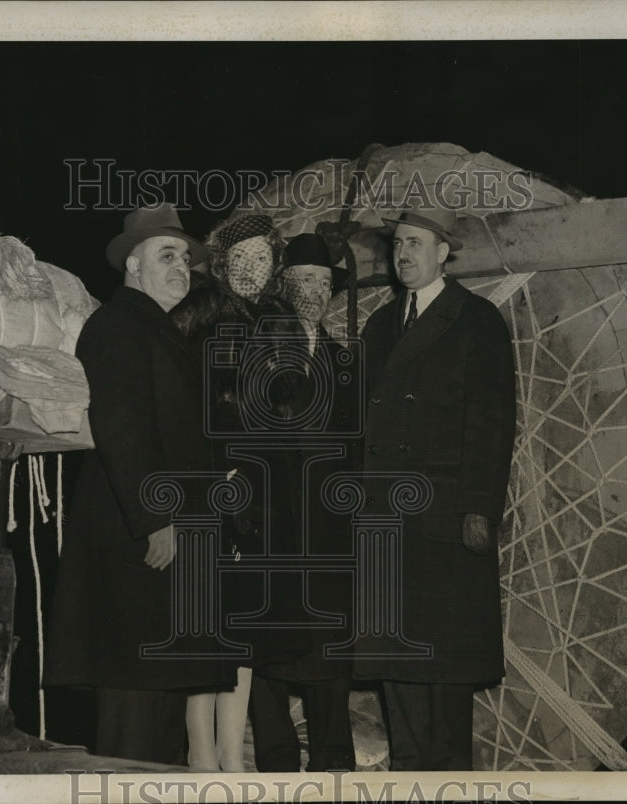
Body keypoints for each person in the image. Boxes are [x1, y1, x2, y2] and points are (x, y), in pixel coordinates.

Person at [43, 203, 233, 765]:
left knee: (159, 698)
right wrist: (155, 519)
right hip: (141, 536)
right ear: (132, 264)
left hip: (164, 536)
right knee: (133, 704)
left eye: (185, 259)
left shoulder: (156, 328)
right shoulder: (119, 325)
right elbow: (122, 426)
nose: (181, 268)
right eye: (166, 256)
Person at [355, 208, 516, 771]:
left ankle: (448, 778)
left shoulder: (476, 320)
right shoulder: (377, 327)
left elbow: (493, 425)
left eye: (416, 243)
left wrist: (479, 507)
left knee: (445, 667)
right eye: (398, 243)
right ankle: (407, 773)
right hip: (382, 518)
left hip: (442, 517)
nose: (404, 254)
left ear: (444, 252)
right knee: (395, 662)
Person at [170, 213, 310, 771]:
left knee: (245, 626)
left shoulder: (283, 320)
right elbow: (176, 395)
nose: (253, 268)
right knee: (206, 625)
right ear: (224, 263)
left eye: (263, 258)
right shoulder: (202, 310)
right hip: (212, 483)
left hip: (263, 489)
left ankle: (232, 756)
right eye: (242, 258)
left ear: (275, 265)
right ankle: (202, 754)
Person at [247, 232, 359, 772]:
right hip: (271, 524)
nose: (315, 291)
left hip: (329, 529)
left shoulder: (342, 358)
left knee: (329, 648)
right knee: (269, 648)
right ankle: (275, 765)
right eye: (304, 280)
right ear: (284, 286)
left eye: (324, 282)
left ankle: (335, 764)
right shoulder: (256, 345)